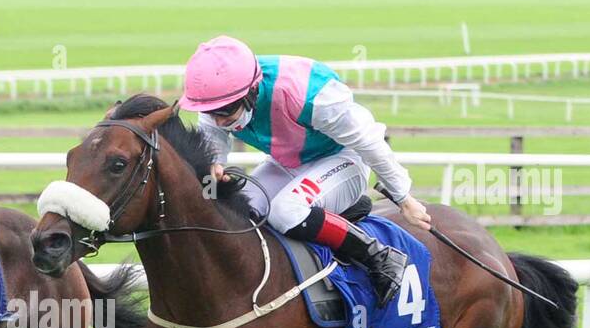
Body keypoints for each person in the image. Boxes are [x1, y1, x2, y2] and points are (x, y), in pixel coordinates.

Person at [181, 35, 433, 305]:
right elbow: (212, 153)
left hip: (342, 160)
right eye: (213, 112)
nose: (219, 119)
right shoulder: (213, 97)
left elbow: (368, 142)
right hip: (287, 163)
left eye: (227, 110)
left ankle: (380, 257)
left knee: (285, 211)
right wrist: (211, 187)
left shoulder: (309, 93)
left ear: (252, 90)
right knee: (235, 209)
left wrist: (404, 198)